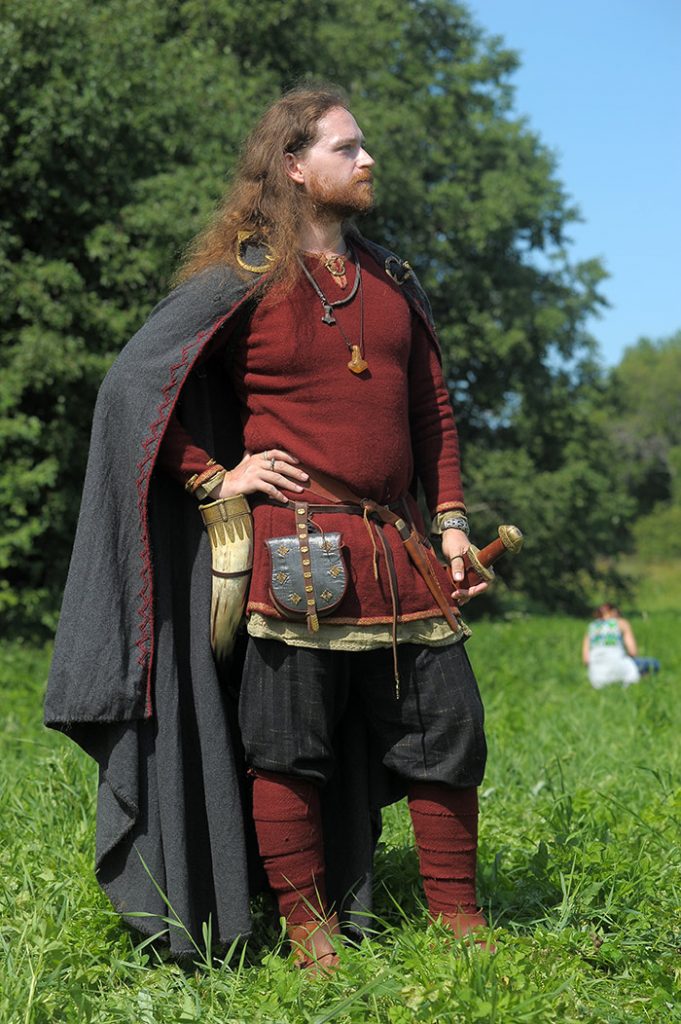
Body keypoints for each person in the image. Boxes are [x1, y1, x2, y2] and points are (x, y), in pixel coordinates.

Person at [45, 85, 492, 968]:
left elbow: (429, 409)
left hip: (398, 551)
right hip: (296, 553)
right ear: (293, 164)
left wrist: (449, 524)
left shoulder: (390, 280)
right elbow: (134, 390)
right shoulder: (242, 278)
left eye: (364, 149)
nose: (367, 162)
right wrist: (218, 476)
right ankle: (307, 932)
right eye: (346, 148)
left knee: (448, 732)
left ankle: (459, 921)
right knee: (289, 750)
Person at [582, 603, 660, 689]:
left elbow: (586, 660)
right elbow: (633, 652)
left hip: (596, 678)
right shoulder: (621, 623)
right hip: (620, 667)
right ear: (614, 612)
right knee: (654, 663)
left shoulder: (591, 627)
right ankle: (638, 684)